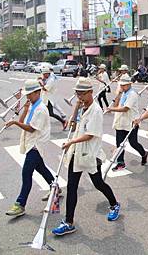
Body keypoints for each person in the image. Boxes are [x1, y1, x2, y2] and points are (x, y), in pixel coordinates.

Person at [52, 77, 121, 236]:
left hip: (90, 154)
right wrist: (76, 109)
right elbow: (74, 125)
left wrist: (71, 142)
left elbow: (90, 134)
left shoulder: (96, 110)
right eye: (77, 94)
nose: (80, 97)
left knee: (98, 183)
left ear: (91, 92)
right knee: (71, 188)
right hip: (77, 154)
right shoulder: (83, 107)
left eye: (83, 94)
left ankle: (114, 204)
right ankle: (68, 222)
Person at [5, 80, 54, 217]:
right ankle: (54, 186)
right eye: (27, 94)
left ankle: (20, 204)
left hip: (36, 145)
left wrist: (15, 122)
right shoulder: (32, 106)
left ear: (38, 92)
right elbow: (23, 122)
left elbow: (31, 128)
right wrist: (25, 110)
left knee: (26, 174)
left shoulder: (41, 109)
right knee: (41, 168)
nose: (28, 97)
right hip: (31, 143)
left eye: (30, 94)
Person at [105, 74, 148, 171]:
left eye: (124, 85)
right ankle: (120, 163)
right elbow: (116, 105)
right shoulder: (123, 93)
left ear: (129, 84)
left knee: (133, 143)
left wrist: (111, 109)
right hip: (120, 122)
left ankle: (144, 153)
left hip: (131, 123)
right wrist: (118, 95)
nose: (122, 87)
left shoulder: (132, 94)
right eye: (121, 85)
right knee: (119, 143)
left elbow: (125, 108)